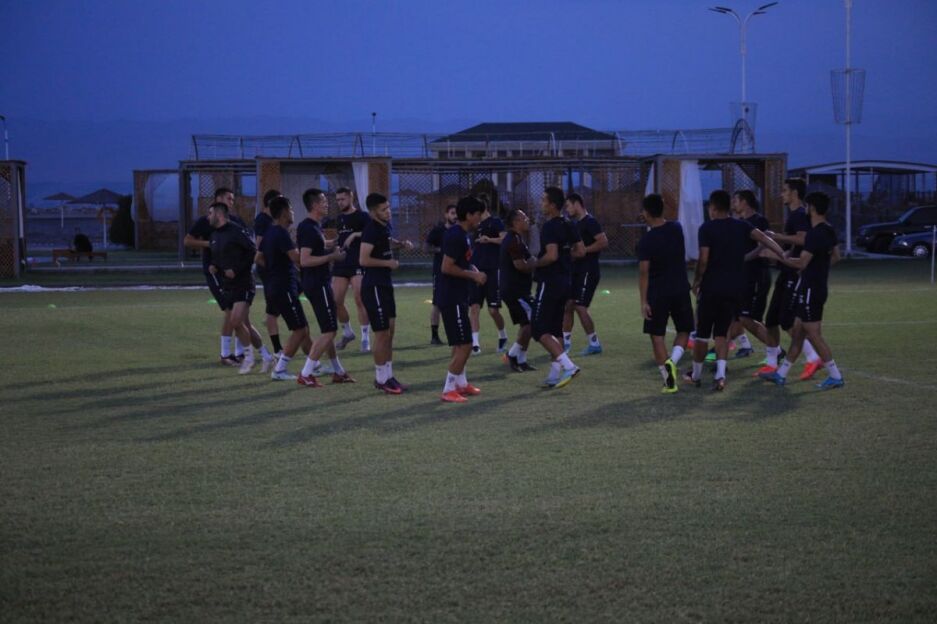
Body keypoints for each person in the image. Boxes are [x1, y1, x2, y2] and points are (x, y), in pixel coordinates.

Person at [689, 190, 784, 391]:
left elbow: (704, 259)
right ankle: (720, 376)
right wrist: (782, 254)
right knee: (722, 332)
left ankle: (695, 375)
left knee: (703, 334)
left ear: (713, 207)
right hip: (735, 288)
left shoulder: (707, 228)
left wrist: (697, 280)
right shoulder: (742, 225)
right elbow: (764, 238)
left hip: (712, 287)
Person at [760, 192, 845, 389]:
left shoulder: (815, 234)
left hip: (810, 290)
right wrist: (819, 270)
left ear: (812, 208)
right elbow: (836, 256)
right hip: (815, 287)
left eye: (807, 206)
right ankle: (781, 374)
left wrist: (777, 255)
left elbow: (801, 263)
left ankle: (835, 375)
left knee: (813, 334)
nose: (805, 209)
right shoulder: (829, 229)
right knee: (798, 332)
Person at [759, 178, 823, 379]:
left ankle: (813, 358)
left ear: (794, 193)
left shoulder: (800, 215)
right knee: (771, 320)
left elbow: (803, 239)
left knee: (786, 321)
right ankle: (771, 364)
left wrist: (777, 237)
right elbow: (792, 247)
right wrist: (777, 254)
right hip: (785, 272)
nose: (782, 194)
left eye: (785, 190)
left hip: (795, 275)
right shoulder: (793, 215)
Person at [296, 188, 355, 386]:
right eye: (323, 201)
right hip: (317, 284)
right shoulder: (308, 228)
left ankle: (338, 371)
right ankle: (306, 373)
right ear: (314, 205)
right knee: (329, 331)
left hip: (318, 283)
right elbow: (305, 260)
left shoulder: (314, 226)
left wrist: (335, 242)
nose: (327, 203)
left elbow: (318, 246)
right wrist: (332, 257)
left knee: (328, 328)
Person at [208, 202, 274, 374]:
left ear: (219, 214)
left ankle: (248, 358)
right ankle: (266, 355)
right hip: (227, 285)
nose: (208, 217)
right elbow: (219, 257)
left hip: (243, 283)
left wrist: (236, 270)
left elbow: (253, 251)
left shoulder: (236, 231)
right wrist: (214, 266)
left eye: (210, 213)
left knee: (235, 321)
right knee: (244, 324)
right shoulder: (214, 235)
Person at [637, 194, 694, 393]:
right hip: (680, 288)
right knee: (684, 330)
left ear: (647, 213)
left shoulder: (646, 241)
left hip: (658, 293)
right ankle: (674, 360)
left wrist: (643, 301)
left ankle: (669, 381)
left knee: (656, 335)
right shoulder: (676, 228)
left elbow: (644, 272)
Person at [359, 192, 414, 394]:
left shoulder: (384, 227)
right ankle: (381, 378)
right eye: (384, 209)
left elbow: (386, 240)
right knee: (381, 334)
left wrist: (400, 244)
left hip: (385, 284)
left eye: (388, 207)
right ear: (373, 212)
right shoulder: (371, 230)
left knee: (390, 332)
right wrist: (388, 263)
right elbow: (363, 260)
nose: (388, 211)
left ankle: (389, 376)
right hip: (373, 286)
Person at [531, 186, 585, 388]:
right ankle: (554, 376)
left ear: (553, 205)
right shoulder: (569, 224)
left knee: (538, 329)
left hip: (550, 282)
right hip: (565, 281)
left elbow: (551, 256)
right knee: (556, 330)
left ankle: (569, 366)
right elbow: (580, 251)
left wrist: (535, 263)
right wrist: (565, 257)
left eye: (544, 200)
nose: (541, 203)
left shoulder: (549, 226)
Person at [437, 196, 487, 403]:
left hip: (459, 295)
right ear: (468, 215)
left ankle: (461, 383)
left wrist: (470, 268)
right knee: (465, 344)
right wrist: (473, 275)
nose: (480, 218)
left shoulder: (464, 235)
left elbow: (459, 263)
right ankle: (448, 389)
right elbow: (446, 267)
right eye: (478, 214)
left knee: (459, 344)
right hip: (451, 297)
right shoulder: (455, 235)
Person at [259, 196, 311, 381]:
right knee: (300, 330)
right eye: (291, 209)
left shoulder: (269, 233)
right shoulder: (281, 233)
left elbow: (258, 258)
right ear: (283, 213)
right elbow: (298, 259)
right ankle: (279, 369)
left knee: (304, 327)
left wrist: (273, 269)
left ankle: (313, 365)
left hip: (277, 285)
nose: (293, 212)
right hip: (284, 287)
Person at [184, 199, 238, 365]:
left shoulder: (235, 222)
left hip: (233, 273)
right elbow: (187, 241)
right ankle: (226, 354)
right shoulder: (206, 221)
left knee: (240, 312)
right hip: (215, 273)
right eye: (228, 198)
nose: (231, 202)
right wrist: (210, 244)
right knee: (231, 310)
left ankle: (241, 353)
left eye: (232, 199)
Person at [726, 190, 771, 359]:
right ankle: (736, 347)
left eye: (736, 201)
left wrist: (743, 258)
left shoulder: (759, 221)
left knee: (747, 318)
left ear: (745, 202)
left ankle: (777, 350)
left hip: (757, 275)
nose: (733, 204)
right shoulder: (740, 223)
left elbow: (763, 246)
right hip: (743, 276)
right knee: (736, 315)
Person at [562, 192, 608, 355]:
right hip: (576, 271)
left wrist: (583, 251)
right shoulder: (575, 224)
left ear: (577, 204)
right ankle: (565, 343)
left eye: (568, 206)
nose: (567, 209)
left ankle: (594, 344)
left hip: (588, 270)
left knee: (580, 306)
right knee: (568, 305)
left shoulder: (590, 221)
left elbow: (603, 242)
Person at [331, 187, 372, 353]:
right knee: (335, 301)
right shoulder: (339, 218)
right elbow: (341, 239)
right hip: (341, 263)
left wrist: (355, 235)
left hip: (358, 263)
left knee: (359, 299)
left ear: (351, 198)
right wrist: (332, 243)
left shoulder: (363, 216)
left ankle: (365, 338)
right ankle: (348, 332)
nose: (340, 202)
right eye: (338, 200)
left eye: (342, 199)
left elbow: (372, 233)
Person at [468, 195, 508, 355]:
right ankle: (475, 344)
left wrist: (489, 239)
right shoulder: (476, 227)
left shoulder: (496, 222)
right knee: (474, 307)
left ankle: (503, 335)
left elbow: (504, 239)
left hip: (492, 271)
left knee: (493, 310)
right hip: (477, 272)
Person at [499, 209, 538, 373]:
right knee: (532, 321)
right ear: (515, 222)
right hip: (515, 291)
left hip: (518, 290)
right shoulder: (513, 240)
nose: (527, 219)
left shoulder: (517, 238)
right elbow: (520, 265)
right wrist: (535, 263)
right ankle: (512, 354)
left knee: (526, 324)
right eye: (524, 217)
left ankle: (521, 360)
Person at [253, 189, 284, 372]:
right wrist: (271, 267)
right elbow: (259, 247)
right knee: (273, 309)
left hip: (277, 270)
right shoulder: (263, 220)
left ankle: (272, 316)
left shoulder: (271, 220)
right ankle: (278, 349)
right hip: (270, 271)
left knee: (279, 304)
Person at [425, 204, 458, 345]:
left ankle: (455, 333)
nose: (455, 216)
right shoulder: (438, 231)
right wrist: (440, 250)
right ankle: (434, 336)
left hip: (455, 271)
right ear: (446, 215)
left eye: (456, 213)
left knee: (455, 302)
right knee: (437, 303)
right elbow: (427, 247)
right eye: (452, 213)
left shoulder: (459, 231)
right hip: (440, 272)